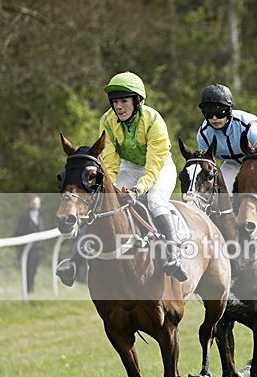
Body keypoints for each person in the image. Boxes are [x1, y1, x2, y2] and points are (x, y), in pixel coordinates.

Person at [56, 71, 188, 285]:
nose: (119, 107)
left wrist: (137, 190)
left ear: (136, 102)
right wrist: (113, 187)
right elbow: (110, 161)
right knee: (101, 202)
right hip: (128, 167)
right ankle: (73, 261)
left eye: (124, 101)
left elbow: (153, 167)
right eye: (115, 102)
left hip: (159, 167)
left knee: (155, 201)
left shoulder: (154, 121)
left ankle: (173, 253)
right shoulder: (107, 120)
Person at [196, 84, 257, 191]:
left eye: (220, 113)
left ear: (229, 110)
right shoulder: (203, 134)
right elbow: (206, 167)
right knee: (220, 192)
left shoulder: (247, 125)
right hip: (231, 165)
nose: (214, 118)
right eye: (209, 114)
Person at [15, 195, 44, 292]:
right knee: (29, 269)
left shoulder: (41, 215)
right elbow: (18, 231)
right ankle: (28, 289)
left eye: (37, 204)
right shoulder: (24, 216)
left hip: (38, 248)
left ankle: (31, 287)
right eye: (34, 203)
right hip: (27, 248)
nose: (35, 205)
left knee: (34, 269)